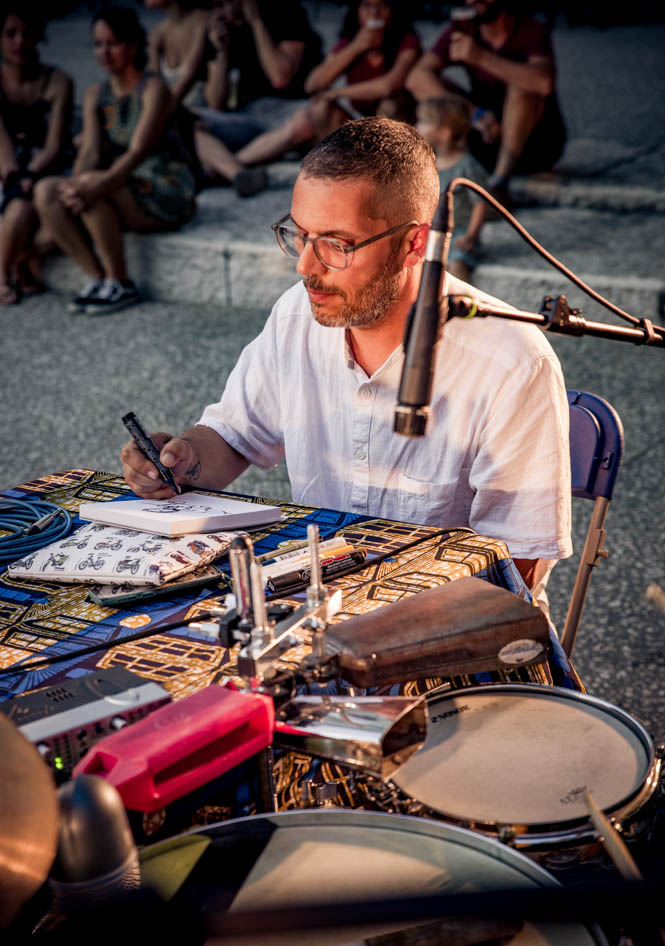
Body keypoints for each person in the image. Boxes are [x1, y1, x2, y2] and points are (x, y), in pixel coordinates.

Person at [121, 117, 572, 609]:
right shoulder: (296, 314)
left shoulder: (511, 363)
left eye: (337, 244)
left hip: (450, 628)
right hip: (313, 602)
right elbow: (234, 437)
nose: (305, 266)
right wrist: (184, 459)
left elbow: (516, 571)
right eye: (300, 234)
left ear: (414, 244)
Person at [34, 5, 197, 316]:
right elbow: (90, 151)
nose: (104, 52)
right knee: (46, 191)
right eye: (98, 44)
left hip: (165, 185)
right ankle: (99, 279)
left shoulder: (153, 88)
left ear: (132, 45)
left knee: (92, 190)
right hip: (125, 183)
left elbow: (139, 150)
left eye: (113, 43)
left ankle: (120, 282)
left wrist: (93, 185)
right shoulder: (97, 93)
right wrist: (72, 186)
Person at [406, 0, 566, 202]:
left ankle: (499, 184)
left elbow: (544, 82)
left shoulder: (530, 29)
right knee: (431, 82)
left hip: (535, 144)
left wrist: (480, 57)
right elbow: (416, 79)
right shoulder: (464, 29)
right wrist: (476, 115)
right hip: (486, 131)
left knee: (523, 86)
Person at [229, 0, 421, 166]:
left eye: (382, 6)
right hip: (365, 120)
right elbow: (313, 84)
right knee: (320, 106)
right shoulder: (351, 43)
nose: (374, 14)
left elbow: (388, 86)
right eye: (367, 6)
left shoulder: (406, 40)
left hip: (402, 121)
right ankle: (344, 165)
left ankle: (391, 165)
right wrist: (356, 47)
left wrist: (338, 93)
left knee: (389, 106)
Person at [145, 0, 267, 196]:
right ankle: (231, 174)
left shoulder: (204, 22)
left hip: (212, 118)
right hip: (179, 123)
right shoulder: (157, 36)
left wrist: (158, 114)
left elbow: (190, 81)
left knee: (185, 121)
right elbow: (152, 87)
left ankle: (236, 174)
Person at [0, 5, 73, 305]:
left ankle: (18, 260)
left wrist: (31, 174)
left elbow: (55, 144)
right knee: (20, 209)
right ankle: (4, 274)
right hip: (9, 169)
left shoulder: (58, 82)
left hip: (47, 167)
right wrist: (16, 178)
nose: (19, 42)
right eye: (10, 34)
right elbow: (1, 145)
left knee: (56, 219)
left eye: (27, 34)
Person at [192, 0, 322, 166]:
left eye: (229, 3)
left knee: (312, 118)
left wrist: (257, 23)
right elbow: (215, 103)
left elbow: (280, 78)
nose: (225, 10)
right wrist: (222, 53)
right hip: (248, 113)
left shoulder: (287, 13)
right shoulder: (220, 29)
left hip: (289, 109)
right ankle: (234, 170)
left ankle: (229, 168)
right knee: (188, 119)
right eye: (218, 6)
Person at [417, 94, 489, 282]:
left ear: (444, 133)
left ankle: (462, 305)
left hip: (459, 237)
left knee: (457, 264)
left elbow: (481, 203)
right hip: (432, 235)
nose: (418, 126)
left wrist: (471, 236)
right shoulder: (427, 163)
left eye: (424, 122)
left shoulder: (466, 166)